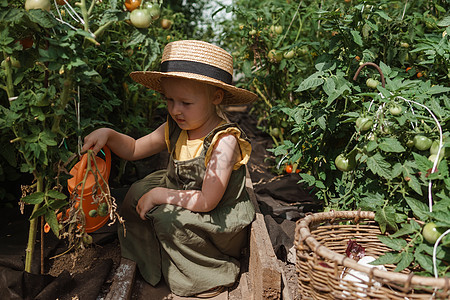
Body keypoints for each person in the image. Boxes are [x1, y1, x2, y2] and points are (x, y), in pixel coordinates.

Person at [81, 40, 258, 297]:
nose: (176, 110)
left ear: (216, 97)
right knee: (136, 192)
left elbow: (207, 200)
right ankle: (150, 261)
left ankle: (206, 276)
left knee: (167, 219)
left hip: (215, 218)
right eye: (169, 100)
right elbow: (132, 149)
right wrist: (108, 134)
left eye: (186, 103)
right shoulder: (175, 127)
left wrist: (159, 195)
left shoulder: (224, 142)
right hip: (182, 192)